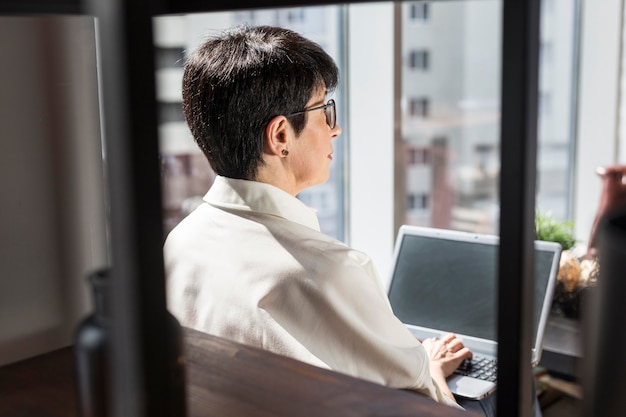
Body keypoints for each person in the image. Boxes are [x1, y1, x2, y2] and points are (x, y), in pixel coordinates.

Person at [164, 25, 539, 416]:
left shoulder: (180, 242)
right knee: (517, 387)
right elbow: (419, 403)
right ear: (280, 137)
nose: (335, 128)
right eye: (324, 110)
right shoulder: (326, 270)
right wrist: (428, 370)